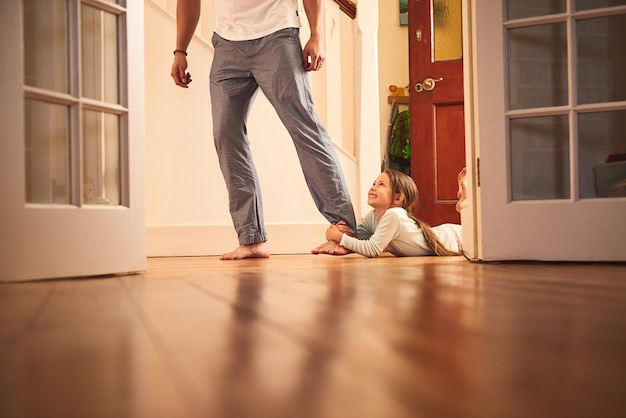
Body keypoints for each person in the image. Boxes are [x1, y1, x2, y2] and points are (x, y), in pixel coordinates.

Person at [171, 0, 356, 260]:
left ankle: (343, 228)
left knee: (305, 130)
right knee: (226, 136)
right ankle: (252, 238)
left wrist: (317, 35)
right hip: (227, 44)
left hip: (278, 36)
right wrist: (180, 50)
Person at [312, 168, 467, 257]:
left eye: (381, 184)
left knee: (467, 210)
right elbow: (358, 238)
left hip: (456, 238)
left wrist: (339, 237)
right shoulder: (372, 217)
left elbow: (372, 249)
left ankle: (466, 188)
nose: (373, 187)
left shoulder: (394, 215)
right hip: (446, 232)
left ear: (397, 198)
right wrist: (341, 233)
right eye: (374, 183)